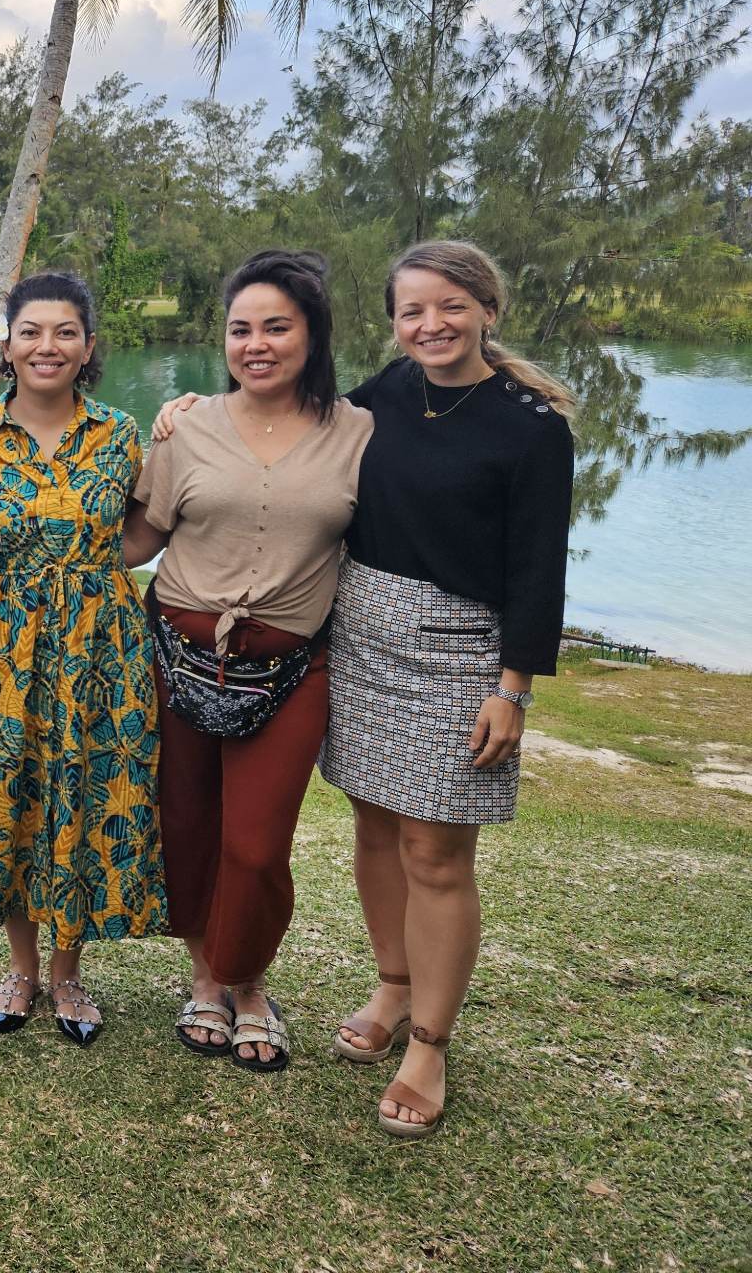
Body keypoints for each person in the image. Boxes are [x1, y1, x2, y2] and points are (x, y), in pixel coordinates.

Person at [322, 241, 573, 1137]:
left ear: (488, 310)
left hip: (463, 655)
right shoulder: (385, 392)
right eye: (412, 311)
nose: (430, 325)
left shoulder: (531, 426)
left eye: (449, 307)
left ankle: (430, 1040)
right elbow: (297, 427)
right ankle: (391, 985)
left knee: (436, 852)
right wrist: (191, 411)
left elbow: (538, 572)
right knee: (374, 824)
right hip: (361, 638)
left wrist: (515, 689)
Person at [123, 250, 373, 1074]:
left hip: (294, 669)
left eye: (276, 327)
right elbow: (141, 537)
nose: (256, 344)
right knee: (188, 825)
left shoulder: (361, 433)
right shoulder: (186, 426)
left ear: (313, 333)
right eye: (240, 329)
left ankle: (250, 982)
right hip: (177, 656)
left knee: (258, 844)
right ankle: (205, 976)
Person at [0, 271, 163, 1046]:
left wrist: (94, 569)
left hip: (99, 649)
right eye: (31, 331)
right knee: (9, 795)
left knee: (80, 793)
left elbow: (143, 529)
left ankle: (69, 972)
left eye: (65, 332)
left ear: (88, 347)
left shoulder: (120, 433)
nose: (48, 346)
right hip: (0, 646)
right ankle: (21, 968)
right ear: (8, 346)